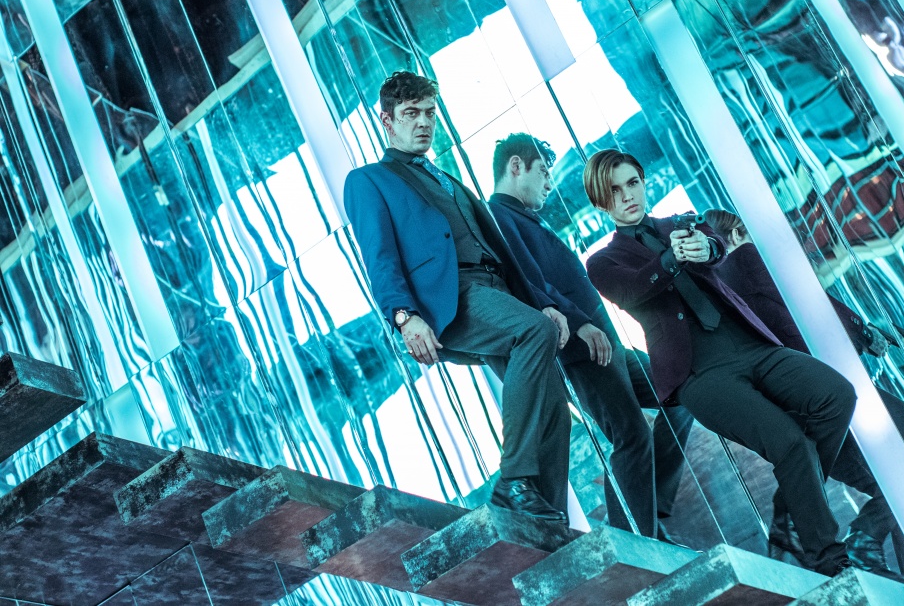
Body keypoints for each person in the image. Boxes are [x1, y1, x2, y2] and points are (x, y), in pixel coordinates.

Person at [582, 149, 857, 576]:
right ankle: (829, 560)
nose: (627, 196)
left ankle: (791, 510)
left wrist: (705, 246)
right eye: (614, 191)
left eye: (632, 183)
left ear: (643, 181)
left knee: (837, 395)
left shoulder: (684, 222)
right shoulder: (602, 262)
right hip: (699, 374)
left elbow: (717, 247)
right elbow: (634, 289)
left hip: (752, 346)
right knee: (791, 444)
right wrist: (670, 259)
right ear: (601, 202)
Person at [343, 71, 572, 522]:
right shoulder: (369, 180)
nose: (423, 122)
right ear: (387, 121)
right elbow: (379, 256)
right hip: (455, 296)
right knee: (533, 332)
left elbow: (498, 249)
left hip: (499, 291)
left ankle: (547, 524)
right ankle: (512, 482)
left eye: (429, 113)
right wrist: (405, 316)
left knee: (554, 411)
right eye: (411, 113)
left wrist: (541, 301)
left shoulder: (446, 177)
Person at [703, 208, 904, 588]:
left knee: (898, 488)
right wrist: (861, 330)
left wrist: (860, 334)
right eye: (748, 234)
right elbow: (811, 305)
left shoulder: (720, 292)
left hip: (804, 412)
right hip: (825, 393)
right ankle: (865, 537)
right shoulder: (743, 260)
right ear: (735, 235)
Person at [488, 133, 694, 540]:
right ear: (516, 167)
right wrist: (578, 322)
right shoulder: (499, 217)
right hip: (582, 350)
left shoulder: (522, 217)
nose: (550, 183)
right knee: (631, 436)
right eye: (543, 172)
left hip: (603, 342)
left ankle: (648, 513)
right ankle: (636, 540)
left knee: (684, 392)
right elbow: (527, 280)